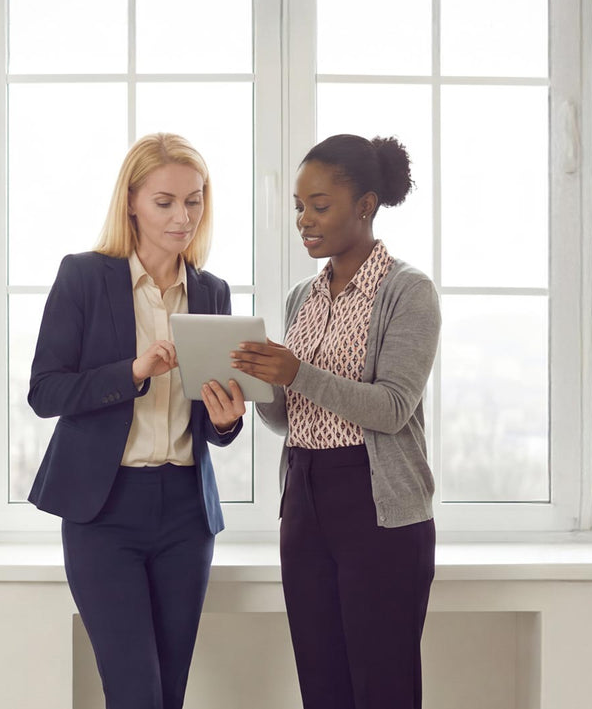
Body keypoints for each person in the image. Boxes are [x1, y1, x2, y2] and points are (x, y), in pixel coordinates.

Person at [26, 132, 249, 709]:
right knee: (135, 694)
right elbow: (45, 393)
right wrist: (131, 371)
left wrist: (227, 422)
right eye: (165, 201)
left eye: (194, 200)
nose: (183, 217)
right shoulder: (83, 277)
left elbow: (212, 420)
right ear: (131, 201)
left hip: (185, 514)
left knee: (167, 695)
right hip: (103, 513)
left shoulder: (211, 292)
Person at [231, 134, 440, 709]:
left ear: (366, 206)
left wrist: (297, 372)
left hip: (377, 508)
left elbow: (393, 407)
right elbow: (291, 417)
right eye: (299, 207)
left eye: (319, 206)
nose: (305, 221)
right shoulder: (304, 295)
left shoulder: (408, 292)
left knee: (383, 687)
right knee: (321, 685)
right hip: (304, 498)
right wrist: (258, 386)